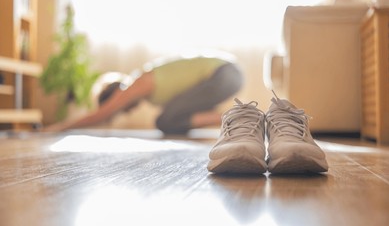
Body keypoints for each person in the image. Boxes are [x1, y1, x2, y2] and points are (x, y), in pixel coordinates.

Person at [44, 51, 243, 134]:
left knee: (165, 120)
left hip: (224, 74)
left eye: (120, 107)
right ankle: (235, 118)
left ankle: (238, 118)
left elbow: (101, 114)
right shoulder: (150, 89)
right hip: (227, 75)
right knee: (169, 120)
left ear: (116, 95)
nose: (126, 111)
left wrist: (57, 128)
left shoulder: (137, 82)